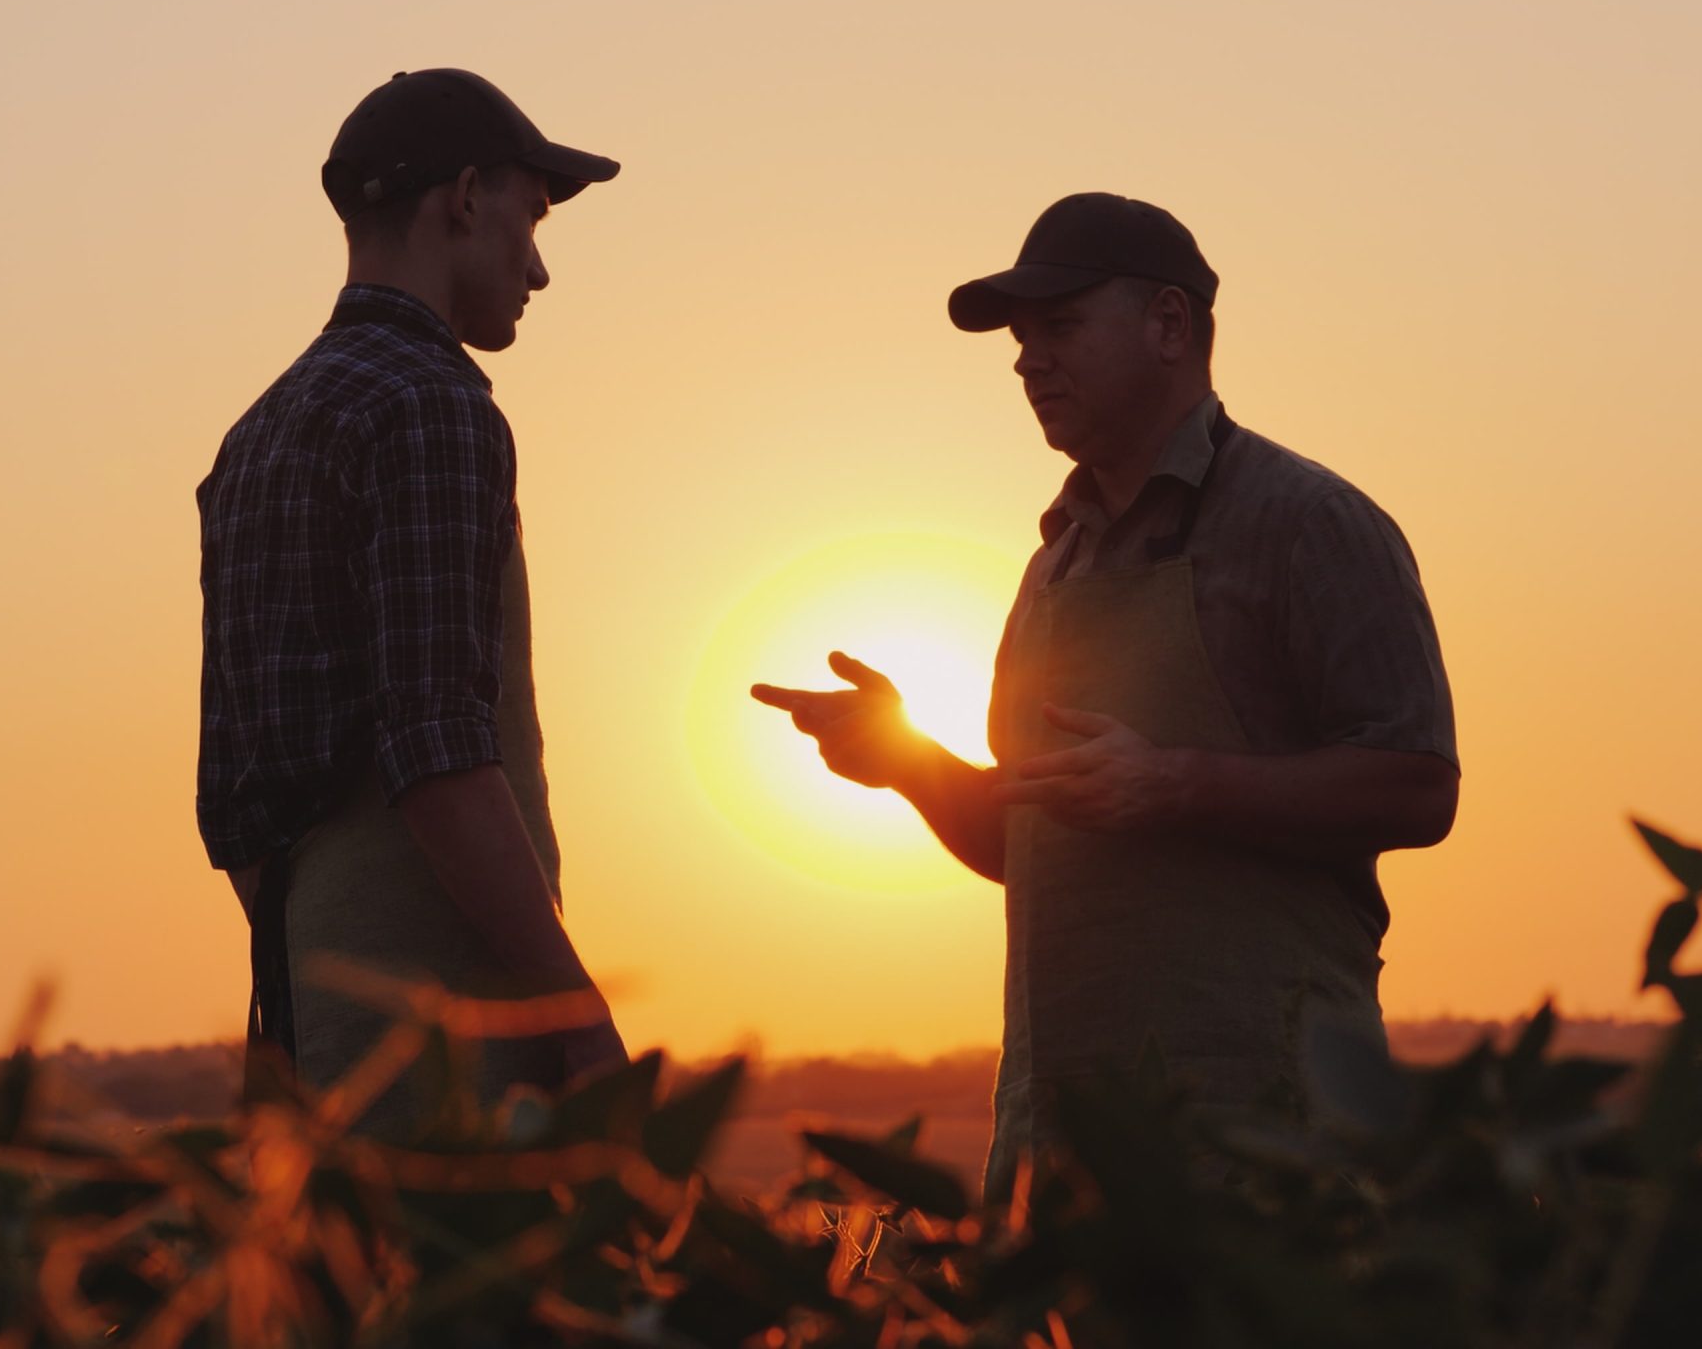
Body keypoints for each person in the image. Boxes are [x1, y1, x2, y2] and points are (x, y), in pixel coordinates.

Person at [753, 193, 1459, 1197]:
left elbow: (1419, 789)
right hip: (1056, 1157)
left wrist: (1175, 783)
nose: (1026, 360)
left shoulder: (1311, 524)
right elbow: (1031, 847)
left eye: (1061, 326)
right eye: (1020, 338)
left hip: (1263, 1154)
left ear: (1169, 326)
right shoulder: (1052, 568)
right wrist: (906, 761)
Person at [196, 69, 628, 1134]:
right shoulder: (432, 407)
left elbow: (229, 807)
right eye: (529, 218)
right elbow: (437, 751)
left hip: (306, 1015)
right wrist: (570, 1012)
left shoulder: (251, 441)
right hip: (449, 1034)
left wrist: (319, 967)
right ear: (465, 198)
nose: (538, 266)